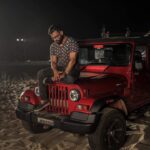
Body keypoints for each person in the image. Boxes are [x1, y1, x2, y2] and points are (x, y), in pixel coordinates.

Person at [37, 24, 80, 107]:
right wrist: (55, 71)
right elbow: (53, 62)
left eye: (56, 36)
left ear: (61, 32)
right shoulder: (53, 46)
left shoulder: (72, 42)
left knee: (70, 79)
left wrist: (65, 73)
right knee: (40, 73)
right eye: (53, 37)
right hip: (60, 67)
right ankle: (44, 101)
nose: (55, 39)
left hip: (72, 68)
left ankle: (51, 79)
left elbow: (73, 60)